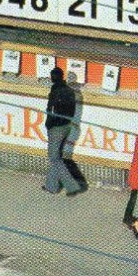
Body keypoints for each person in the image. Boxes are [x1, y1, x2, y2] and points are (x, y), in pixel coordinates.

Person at [43, 66, 82, 196]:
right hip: (67, 126)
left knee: (54, 158)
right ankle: (51, 186)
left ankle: (71, 186)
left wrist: (49, 124)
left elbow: (50, 110)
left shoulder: (55, 90)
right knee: (57, 157)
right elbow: (72, 111)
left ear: (54, 77)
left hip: (56, 128)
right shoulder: (71, 91)